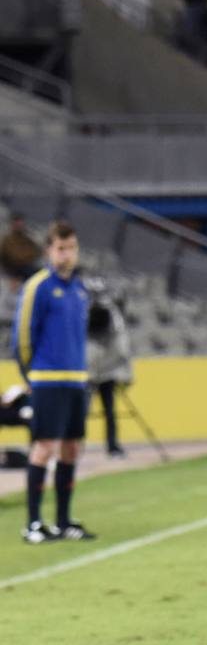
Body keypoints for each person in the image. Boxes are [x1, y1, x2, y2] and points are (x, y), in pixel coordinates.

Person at [11, 221, 98, 544]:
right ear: (49, 250)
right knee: (44, 447)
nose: (67, 255)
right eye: (61, 249)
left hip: (76, 380)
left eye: (71, 248)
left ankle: (63, 521)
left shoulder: (79, 289)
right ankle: (34, 523)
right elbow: (22, 337)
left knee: (72, 448)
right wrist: (30, 376)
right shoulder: (39, 286)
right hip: (47, 380)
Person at [87, 280, 134, 458]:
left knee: (109, 412)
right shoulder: (83, 313)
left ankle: (113, 445)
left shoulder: (112, 316)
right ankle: (74, 446)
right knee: (82, 412)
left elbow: (122, 346)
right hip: (90, 370)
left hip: (106, 371)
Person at [0, 214, 42, 284]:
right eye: (17, 224)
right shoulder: (7, 240)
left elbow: (36, 251)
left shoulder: (26, 238)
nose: (19, 226)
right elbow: (13, 256)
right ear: (12, 224)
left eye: (20, 224)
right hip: (12, 269)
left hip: (26, 267)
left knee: (42, 273)